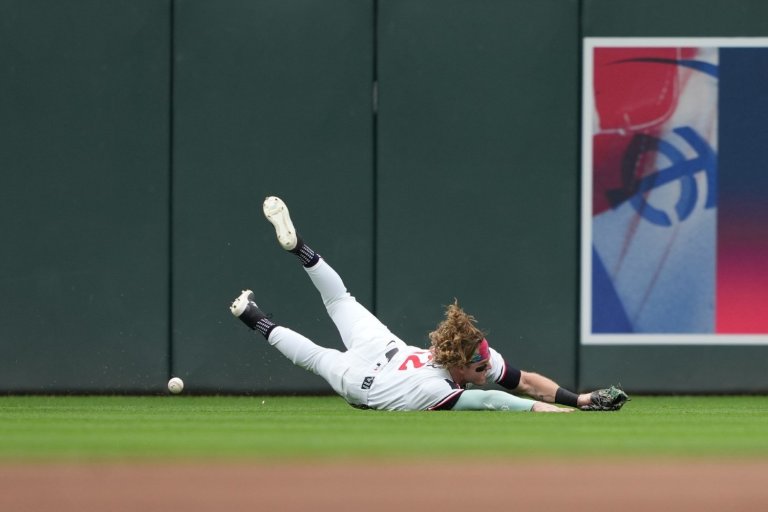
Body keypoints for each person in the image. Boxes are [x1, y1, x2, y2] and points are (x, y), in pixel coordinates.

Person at [230, 196, 629, 413]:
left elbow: (524, 382)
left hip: (388, 351)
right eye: (480, 363)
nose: (486, 365)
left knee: (339, 300)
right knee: (317, 357)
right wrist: (555, 414)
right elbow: (493, 399)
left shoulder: (469, 360)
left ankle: (299, 249)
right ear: (458, 364)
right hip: (367, 384)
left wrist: (579, 399)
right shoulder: (432, 388)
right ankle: (254, 318)